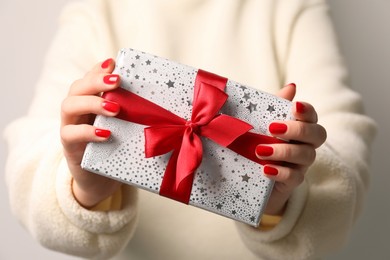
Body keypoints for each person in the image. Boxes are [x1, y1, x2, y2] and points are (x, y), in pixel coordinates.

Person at [4, 0, 376, 259]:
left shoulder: (290, 7)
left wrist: (284, 198)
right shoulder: (96, 11)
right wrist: (83, 186)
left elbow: (344, 139)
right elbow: (29, 154)